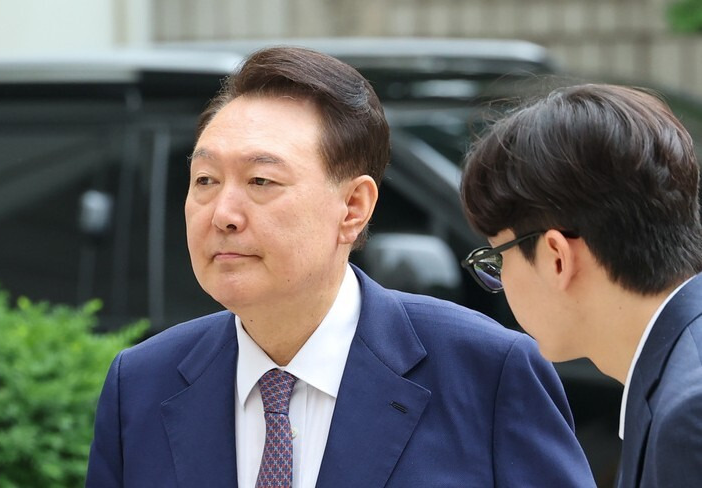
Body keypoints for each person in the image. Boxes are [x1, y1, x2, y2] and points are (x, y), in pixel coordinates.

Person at [85, 46, 594, 487]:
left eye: (261, 181)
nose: (223, 214)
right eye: (205, 180)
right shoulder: (141, 384)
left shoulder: (486, 371)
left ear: (353, 207)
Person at [459, 83, 702, 488]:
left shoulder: (689, 413)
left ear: (557, 256)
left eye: (497, 258)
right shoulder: (678, 373)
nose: (499, 279)